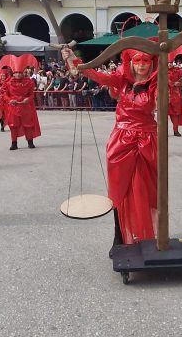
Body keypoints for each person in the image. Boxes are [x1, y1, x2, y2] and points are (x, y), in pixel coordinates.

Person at [63, 45, 159, 249]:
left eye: (146, 61)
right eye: (138, 61)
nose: (142, 65)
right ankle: (122, 238)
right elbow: (94, 74)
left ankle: (151, 235)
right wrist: (73, 58)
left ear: (152, 63)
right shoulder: (121, 80)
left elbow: (164, 102)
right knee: (121, 191)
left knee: (147, 189)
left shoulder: (157, 84)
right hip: (122, 141)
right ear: (131, 63)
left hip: (147, 140)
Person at [5, 60, 41, 150]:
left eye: (20, 73)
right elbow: (5, 95)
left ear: (23, 73)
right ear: (13, 74)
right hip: (13, 107)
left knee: (28, 124)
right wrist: (10, 100)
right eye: (16, 73)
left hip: (25, 106)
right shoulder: (8, 83)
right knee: (13, 126)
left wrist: (27, 99)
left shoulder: (28, 82)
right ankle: (14, 143)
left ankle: (30, 142)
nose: (18, 74)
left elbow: (32, 94)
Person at [167, 57, 182, 137]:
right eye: (167, 62)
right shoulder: (161, 71)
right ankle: (162, 131)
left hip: (175, 95)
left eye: (170, 62)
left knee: (175, 114)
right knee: (163, 115)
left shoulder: (178, 71)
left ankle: (175, 130)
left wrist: (179, 84)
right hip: (164, 94)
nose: (169, 64)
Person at [0, 66, 11, 132]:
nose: (2, 77)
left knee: (7, 113)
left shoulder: (8, 83)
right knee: (0, 113)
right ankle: (2, 126)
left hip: (6, 100)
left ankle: (7, 124)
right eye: (1, 75)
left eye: (4, 75)